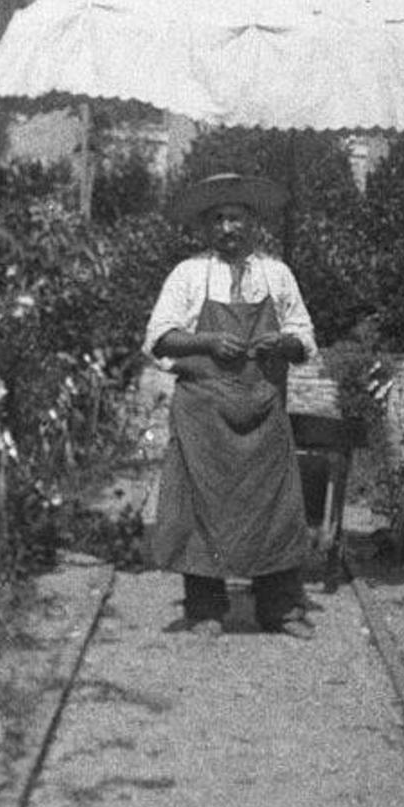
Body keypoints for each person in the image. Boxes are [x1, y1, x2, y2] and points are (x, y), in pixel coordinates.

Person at [143, 171, 319, 640]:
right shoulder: (188, 274)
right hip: (203, 415)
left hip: (263, 409)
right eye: (218, 219)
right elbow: (158, 337)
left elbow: (305, 340)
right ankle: (204, 608)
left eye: (236, 218)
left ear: (253, 223)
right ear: (206, 228)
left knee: (276, 508)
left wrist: (281, 343)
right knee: (198, 509)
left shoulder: (276, 274)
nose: (228, 228)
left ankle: (279, 609)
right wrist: (205, 340)